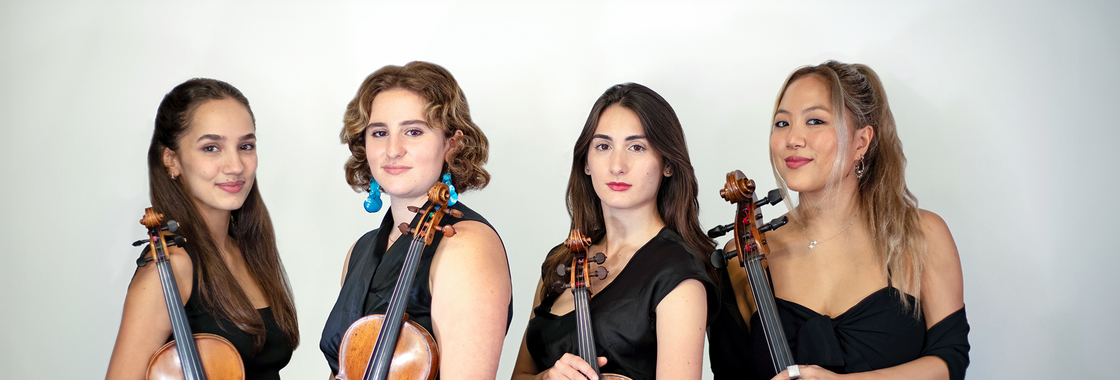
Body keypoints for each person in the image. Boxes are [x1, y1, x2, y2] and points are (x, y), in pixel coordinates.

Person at [708, 61, 970, 380]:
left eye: (815, 121)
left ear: (861, 142)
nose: (793, 139)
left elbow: (949, 359)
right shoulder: (743, 258)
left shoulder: (921, 234)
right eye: (782, 123)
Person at [511, 83, 718, 380]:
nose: (617, 166)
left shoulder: (677, 273)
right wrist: (546, 378)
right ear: (586, 163)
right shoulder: (563, 261)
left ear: (668, 164)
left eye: (637, 147)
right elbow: (520, 375)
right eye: (603, 146)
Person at [319, 61, 513, 379]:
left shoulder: (465, 246)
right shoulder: (360, 251)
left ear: (451, 143)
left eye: (413, 131)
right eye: (379, 133)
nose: (392, 150)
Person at [106, 78, 300, 380]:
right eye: (211, 148)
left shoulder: (246, 250)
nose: (235, 166)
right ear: (172, 160)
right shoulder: (170, 268)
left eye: (245, 146)